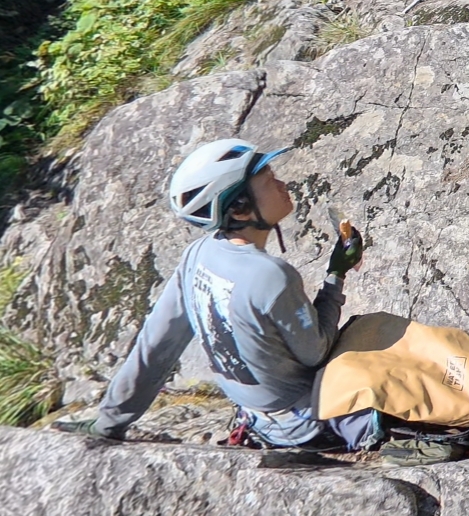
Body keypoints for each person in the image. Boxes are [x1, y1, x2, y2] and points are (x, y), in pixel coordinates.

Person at [73, 138, 373, 448]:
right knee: (377, 333)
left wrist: (109, 422)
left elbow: (155, 344)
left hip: (257, 418)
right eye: (270, 180)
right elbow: (316, 352)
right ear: (241, 210)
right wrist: (336, 273)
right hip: (305, 425)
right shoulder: (271, 275)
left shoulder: (197, 255)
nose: (283, 184)